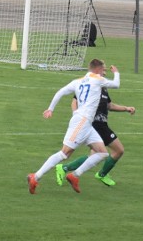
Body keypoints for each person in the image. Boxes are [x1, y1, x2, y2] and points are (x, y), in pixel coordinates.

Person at [27, 59, 120, 195]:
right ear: (98, 69)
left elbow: (60, 92)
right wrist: (116, 73)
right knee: (65, 153)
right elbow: (116, 84)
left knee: (102, 153)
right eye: (103, 69)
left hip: (86, 123)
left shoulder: (78, 81)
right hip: (82, 121)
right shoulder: (98, 80)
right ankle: (35, 177)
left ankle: (74, 175)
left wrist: (50, 108)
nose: (104, 71)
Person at [55, 88, 135, 187]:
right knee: (111, 152)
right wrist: (76, 116)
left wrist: (126, 108)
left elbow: (109, 105)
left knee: (114, 151)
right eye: (103, 71)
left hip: (103, 126)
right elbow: (74, 101)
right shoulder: (89, 86)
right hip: (93, 125)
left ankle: (65, 168)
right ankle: (98, 174)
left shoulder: (104, 89)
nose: (104, 73)